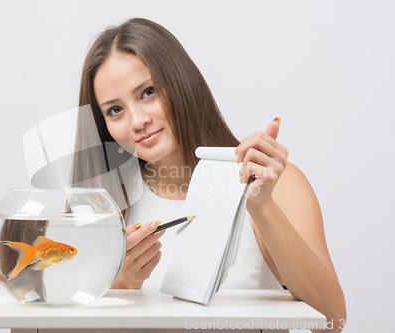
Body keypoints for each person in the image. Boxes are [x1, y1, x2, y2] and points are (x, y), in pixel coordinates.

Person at [71, 18, 346, 332]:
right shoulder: (102, 204)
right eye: (115, 110)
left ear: (181, 83)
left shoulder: (271, 182)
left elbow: (331, 320)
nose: (137, 121)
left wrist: (261, 207)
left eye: (148, 92)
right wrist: (123, 284)